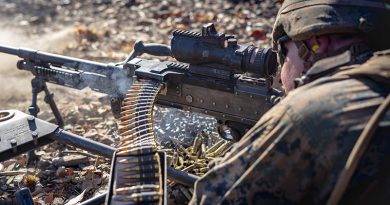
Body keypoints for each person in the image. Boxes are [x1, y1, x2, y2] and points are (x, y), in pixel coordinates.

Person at [190, 0, 390, 204]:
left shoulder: (311, 112)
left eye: (283, 53)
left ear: (316, 43)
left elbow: (212, 199)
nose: (279, 76)